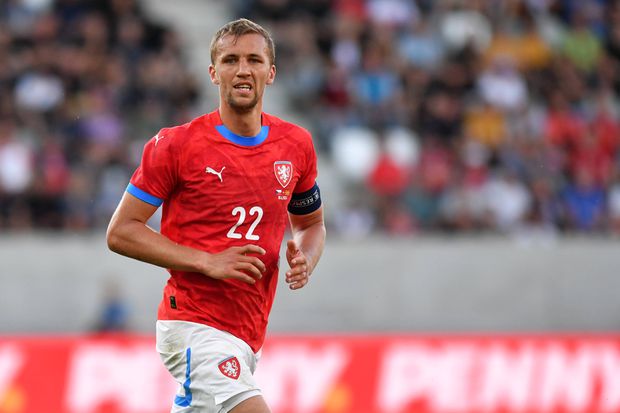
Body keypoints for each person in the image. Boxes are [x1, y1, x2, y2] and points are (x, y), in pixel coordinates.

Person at [106, 18, 326, 413]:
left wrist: (305, 258)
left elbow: (311, 224)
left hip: (246, 332)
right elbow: (121, 231)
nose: (243, 70)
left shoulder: (296, 145)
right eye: (230, 60)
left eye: (254, 60)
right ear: (213, 73)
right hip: (193, 324)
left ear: (271, 73)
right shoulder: (175, 145)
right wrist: (206, 260)